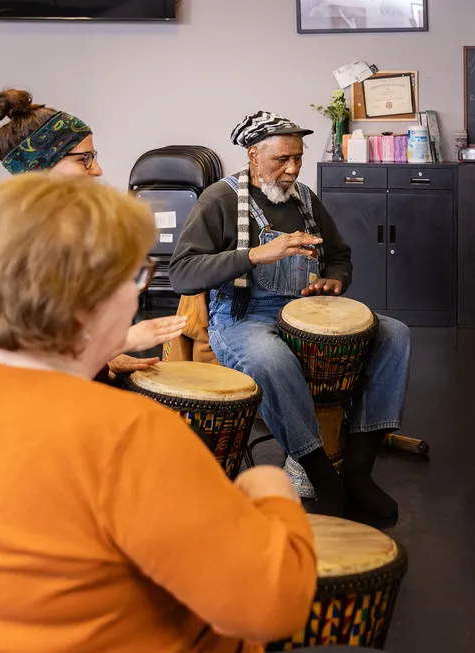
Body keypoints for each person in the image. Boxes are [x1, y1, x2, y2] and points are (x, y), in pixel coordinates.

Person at [0, 173, 413, 653]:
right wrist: (269, 492)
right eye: (133, 277)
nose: (135, 294)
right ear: (87, 300)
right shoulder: (124, 434)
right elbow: (265, 606)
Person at [169, 111, 411, 523]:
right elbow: (181, 274)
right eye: (282, 159)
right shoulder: (220, 200)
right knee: (271, 357)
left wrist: (334, 281)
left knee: (394, 333)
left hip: (306, 310)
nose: (293, 169)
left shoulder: (303, 198)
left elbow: (339, 256)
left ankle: (357, 471)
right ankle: (322, 476)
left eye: (298, 158)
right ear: (253, 154)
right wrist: (254, 255)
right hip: (242, 317)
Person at [0, 87, 185, 379]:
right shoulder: (28, 242)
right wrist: (126, 341)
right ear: (43, 165)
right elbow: (37, 355)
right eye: (84, 158)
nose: (97, 169)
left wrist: (108, 360)